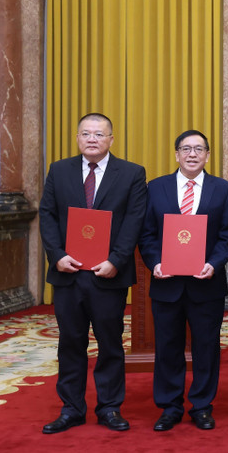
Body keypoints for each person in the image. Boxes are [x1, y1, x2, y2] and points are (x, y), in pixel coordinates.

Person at [39, 112, 147, 434]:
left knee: (110, 343)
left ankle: (109, 407)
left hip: (108, 274)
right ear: (77, 138)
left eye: (99, 134)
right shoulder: (59, 170)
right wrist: (57, 256)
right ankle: (71, 408)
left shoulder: (131, 173)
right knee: (70, 343)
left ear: (111, 139)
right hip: (67, 273)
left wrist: (117, 260)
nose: (92, 139)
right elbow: (47, 215)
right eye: (86, 133)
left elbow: (134, 220)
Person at [138, 130, 228, 431]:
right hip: (166, 283)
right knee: (168, 347)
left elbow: (227, 236)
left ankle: (202, 406)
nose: (192, 154)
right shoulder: (156, 187)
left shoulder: (223, 189)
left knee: (207, 348)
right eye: (186, 149)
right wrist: (155, 263)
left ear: (208, 155)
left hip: (206, 284)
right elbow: (147, 234)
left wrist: (213, 264)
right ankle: (170, 407)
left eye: (199, 149)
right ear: (177, 154)